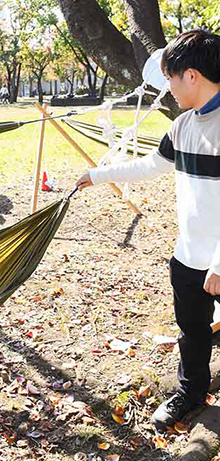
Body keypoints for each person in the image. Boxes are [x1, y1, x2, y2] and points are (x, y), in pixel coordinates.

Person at [75, 29, 220, 432]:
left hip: (219, 262)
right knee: (192, 331)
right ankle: (191, 393)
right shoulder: (183, 126)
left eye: (171, 78)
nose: (168, 88)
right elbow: (149, 166)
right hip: (188, 256)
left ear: (191, 75)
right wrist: (97, 175)